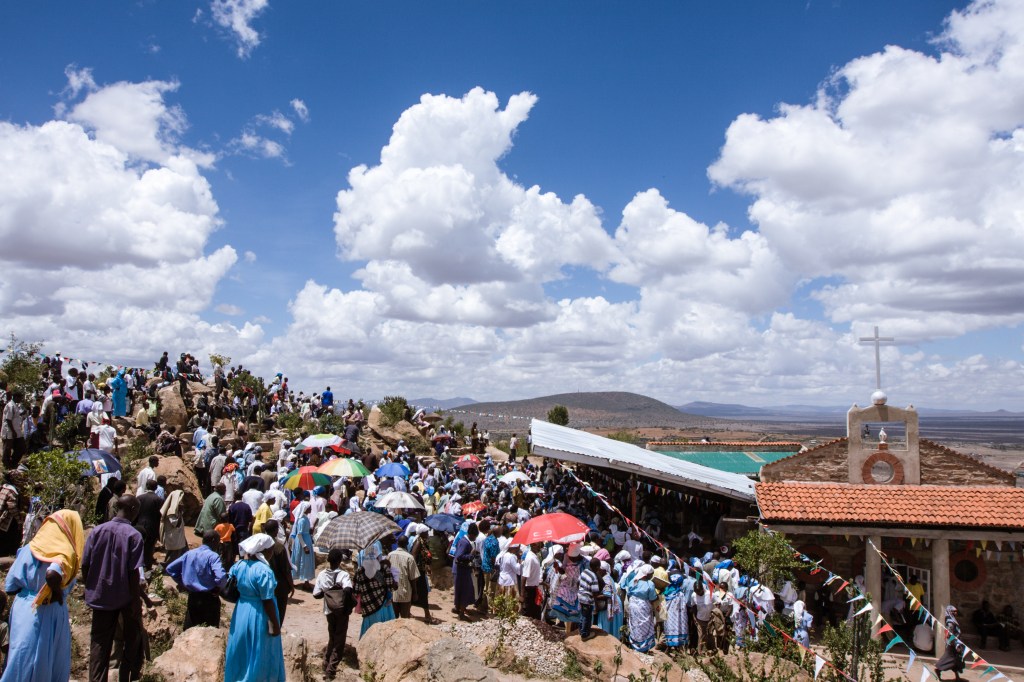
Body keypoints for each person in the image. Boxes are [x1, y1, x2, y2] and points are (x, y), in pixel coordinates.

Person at [1, 509, 83, 682]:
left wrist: (28, 591)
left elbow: (10, 587)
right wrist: (57, 593)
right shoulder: (64, 552)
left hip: (22, 608)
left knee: (20, 655)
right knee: (45, 659)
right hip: (46, 608)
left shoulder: (30, 547)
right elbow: (52, 574)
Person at [82, 494, 144, 682]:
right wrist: (135, 603)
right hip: (125, 597)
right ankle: (127, 677)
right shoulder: (134, 536)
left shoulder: (97, 531)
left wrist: (91, 586)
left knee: (99, 644)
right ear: (133, 510)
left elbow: (85, 564)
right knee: (131, 641)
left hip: (100, 596)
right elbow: (133, 573)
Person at [224, 534, 286, 682]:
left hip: (241, 611)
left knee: (241, 647)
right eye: (270, 550)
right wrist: (275, 624)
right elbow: (267, 600)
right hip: (260, 614)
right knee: (260, 649)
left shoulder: (238, 566)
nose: (272, 553)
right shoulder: (264, 571)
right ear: (263, 551)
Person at [165, 530, 226, 629]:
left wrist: (183, 582)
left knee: (190, 627)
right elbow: (221, 577)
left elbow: (170, 568)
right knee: (210, 631)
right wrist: (219, 587)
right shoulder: (213, 556)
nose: (219, 544)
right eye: (218, 541)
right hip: (209, 598)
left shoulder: (190, 554)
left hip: (193, 597)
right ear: (214, 540)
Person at [313, 548, 353, 680]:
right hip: (341, 610)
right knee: (339, 640)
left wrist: (328, 592)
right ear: (340, 560)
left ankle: (325, 663)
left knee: (332, 636)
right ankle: (331, 670)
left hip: (328, 610)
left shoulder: (322, 574)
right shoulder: (343, 575)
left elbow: (316, 594)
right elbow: (348, 590)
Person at [354, 542, 397, 638]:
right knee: (385, 634)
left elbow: (356, 591)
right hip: (383, 605)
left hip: (368, 607)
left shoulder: (359, 571)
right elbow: (391, 586)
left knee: (368, 634)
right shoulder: (384, 568)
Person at [262, 520, 295, 625]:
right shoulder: (279, 547)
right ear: (276, 530)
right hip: (279, 587)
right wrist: (291, 585)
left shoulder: (260, 545)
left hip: (264, 584)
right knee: (279, 614)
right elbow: (286, 570)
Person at [626, 564, 658, 653]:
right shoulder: (650, 584)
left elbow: (629, 594)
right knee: (644, 625)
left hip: (633, 605)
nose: (652, 576)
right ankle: (644, 646)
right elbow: (652, 598)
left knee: (635, 624)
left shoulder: (633, 581)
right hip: (643, 606)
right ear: (647, 574)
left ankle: (634, 644)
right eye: (651, 574)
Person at [388, 535, 420, 618]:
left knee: (393, 618)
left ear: (397, 543)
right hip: (405, 593)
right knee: (404, 618)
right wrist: (415, 593)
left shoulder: (390, 555)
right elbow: (413, 578)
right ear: (407, 544)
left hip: (392, 593)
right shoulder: (410, 558)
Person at [452, 523, 479, 620]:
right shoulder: (465, 543)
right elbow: (459, 556)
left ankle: (459, 610)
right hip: (461, 571)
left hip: (461, 570)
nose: (475, 539)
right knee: (465, 592)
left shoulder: (463, 541)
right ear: (471, 534)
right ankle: (461, 614)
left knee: (461, 591)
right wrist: (471, 555)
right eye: (475, 536)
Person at [136, 480, 163, 571]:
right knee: (149, 547)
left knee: (139, 546)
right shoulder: (159, 500)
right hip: (153, 526)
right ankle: (147, 567)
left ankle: (138, 564)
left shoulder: (139, 498)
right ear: (156, 488)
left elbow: (136, 512)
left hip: (139, 525)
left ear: (147, 486)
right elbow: (160, 516)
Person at [935, 605, 965, 681]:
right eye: (953, 611)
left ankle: (957, 677)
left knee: (956, 661)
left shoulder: (953, 620)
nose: (955, 613)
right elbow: (950, 635)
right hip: (952, 645)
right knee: (949, 659)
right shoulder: (950, 623)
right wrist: (956, 645)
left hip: (955, 644)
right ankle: (938, 669)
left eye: (956, 611)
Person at [160, 489, 188, 566]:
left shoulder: (176, 510)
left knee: (177, 554)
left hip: (177, 537)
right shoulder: (171, 511)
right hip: (173, 537)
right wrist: (180, 513)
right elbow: (176, 524)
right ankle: (162, 569)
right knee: (172, 556)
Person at [289, 504, 315, 588]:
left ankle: (306, 580)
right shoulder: (302, 520)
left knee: (305, 561)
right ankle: (297, 580)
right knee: (300, 560)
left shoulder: (305, 518)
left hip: (306, 540)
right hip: (302, 542)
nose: (311, 509)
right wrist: (304, 546)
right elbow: (299, 534)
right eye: (309, 508)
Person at [662, 573, 689, 650]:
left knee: (669, 629)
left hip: (669, 617)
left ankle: (669, 647)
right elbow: (683, 607)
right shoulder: (680, 594)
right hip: (680, 617)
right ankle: (679, 648)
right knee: (680, 628)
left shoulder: (667, 592)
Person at [577, 557, 600, 641]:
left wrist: (580, 591)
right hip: (587, 599)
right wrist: (596, 605)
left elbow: (578, 582)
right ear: (597, 567)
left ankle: (580, 629)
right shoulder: (594, 577)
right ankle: (585, 634)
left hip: (580, 596)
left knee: (582, 614)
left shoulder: (584, 571)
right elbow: (595, 593)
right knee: (587, 616)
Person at [520, 542, 543, 619]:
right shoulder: (530, 558)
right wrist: (522, 595)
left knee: (535, 615)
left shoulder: (534, 556)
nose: (540, 547)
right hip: (529, 591)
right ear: (533, 545)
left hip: (534, 589)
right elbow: (524, 577)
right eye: (538, 545)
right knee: (528, 615)